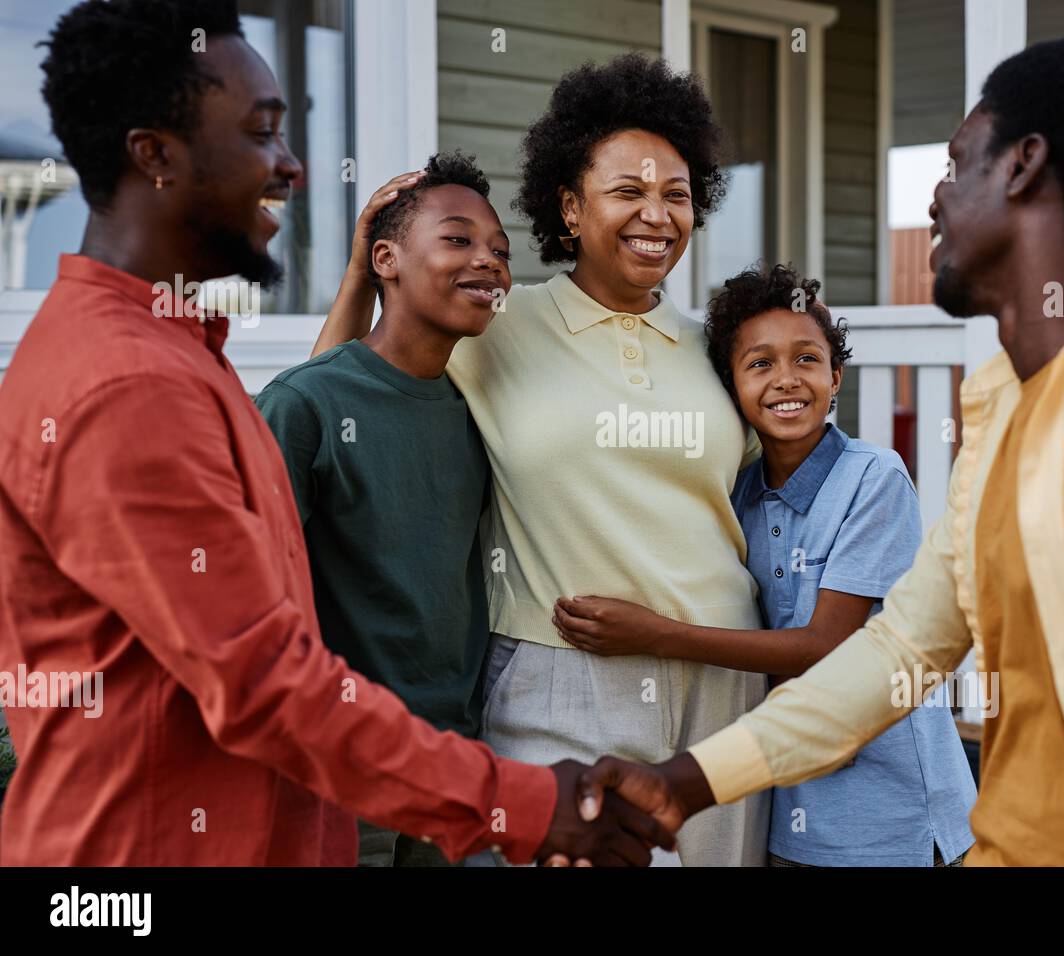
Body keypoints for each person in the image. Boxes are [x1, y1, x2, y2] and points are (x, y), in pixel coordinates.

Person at [577, 36, 1064, 866]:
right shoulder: (1002, 408)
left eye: (957, 165)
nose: (934, 201)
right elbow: (897, 653)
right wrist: (685, 781)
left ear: (1023, 166)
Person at [0, 0, 670, 867]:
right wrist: (525, 803)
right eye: (262, 134)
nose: (291, 167)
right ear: (156, 156)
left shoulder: (169, 353)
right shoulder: (129, 385)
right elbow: (263, 682)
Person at [313, 54, 770, 866]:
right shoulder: (495, 322)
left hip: (720, 676)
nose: (656, 215)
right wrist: (361, 272)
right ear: (569, 204)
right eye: (627, 192)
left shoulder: (720, 348)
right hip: (557, 674)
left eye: (676, 195)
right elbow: (341, 398)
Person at [553, 264, 976, 866]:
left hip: (895, 816)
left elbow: (828, 645)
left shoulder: (873, 477)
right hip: (793, 816)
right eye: (759, 364)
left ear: (836, 376)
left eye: (806, 360)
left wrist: (656, 635)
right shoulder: (737, 493)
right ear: (730, 385)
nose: (786, 380)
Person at [256, 152, 511, 867]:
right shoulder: (303, 404)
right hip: (338, 774)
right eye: (457, 239)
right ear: (386, 259)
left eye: (500, 250)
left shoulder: (479, 413)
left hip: (453, 767)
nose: (487, 262)